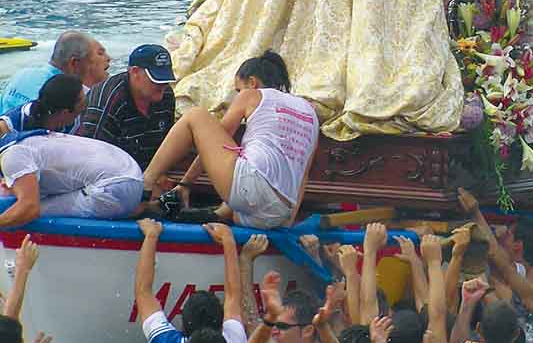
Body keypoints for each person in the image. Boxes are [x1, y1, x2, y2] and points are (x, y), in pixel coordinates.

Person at [142, 50, 319, 228]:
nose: (238, 94)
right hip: (279, 211)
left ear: (252, 82)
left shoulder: (251, 94)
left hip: (251, 191)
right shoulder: (310, 112)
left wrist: (185, 185)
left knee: (196, 115)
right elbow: (303, 175)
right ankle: (217, 214)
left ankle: (144, 184)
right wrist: (288, 222)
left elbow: (216, 142)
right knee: (246, 156)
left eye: (238, 89)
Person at [0, 75, 143, 224]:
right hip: (132, 176)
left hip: (117, 187)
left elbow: (30, 208)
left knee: (31, 212)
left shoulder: (13, 155)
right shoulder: (30, 140)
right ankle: (140, 208)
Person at [135, 220, 247, 343]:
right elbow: (234, 296)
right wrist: (228, 240)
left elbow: (143, 292)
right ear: (221, 324)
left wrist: (151, 236)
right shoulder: (232, 342)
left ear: (182, 322)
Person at [78, 44, 177, 170]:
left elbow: (166, 144)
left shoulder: (166, 95)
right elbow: (91, 157)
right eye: (156, 80)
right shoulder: (107, 101)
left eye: (166, 80)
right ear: (135, 72)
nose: (162, 86)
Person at [0, 30, 110, 112]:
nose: (109, 58)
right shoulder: (72, 96)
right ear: (75, 63)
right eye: (100, 53)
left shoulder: (22, 74)